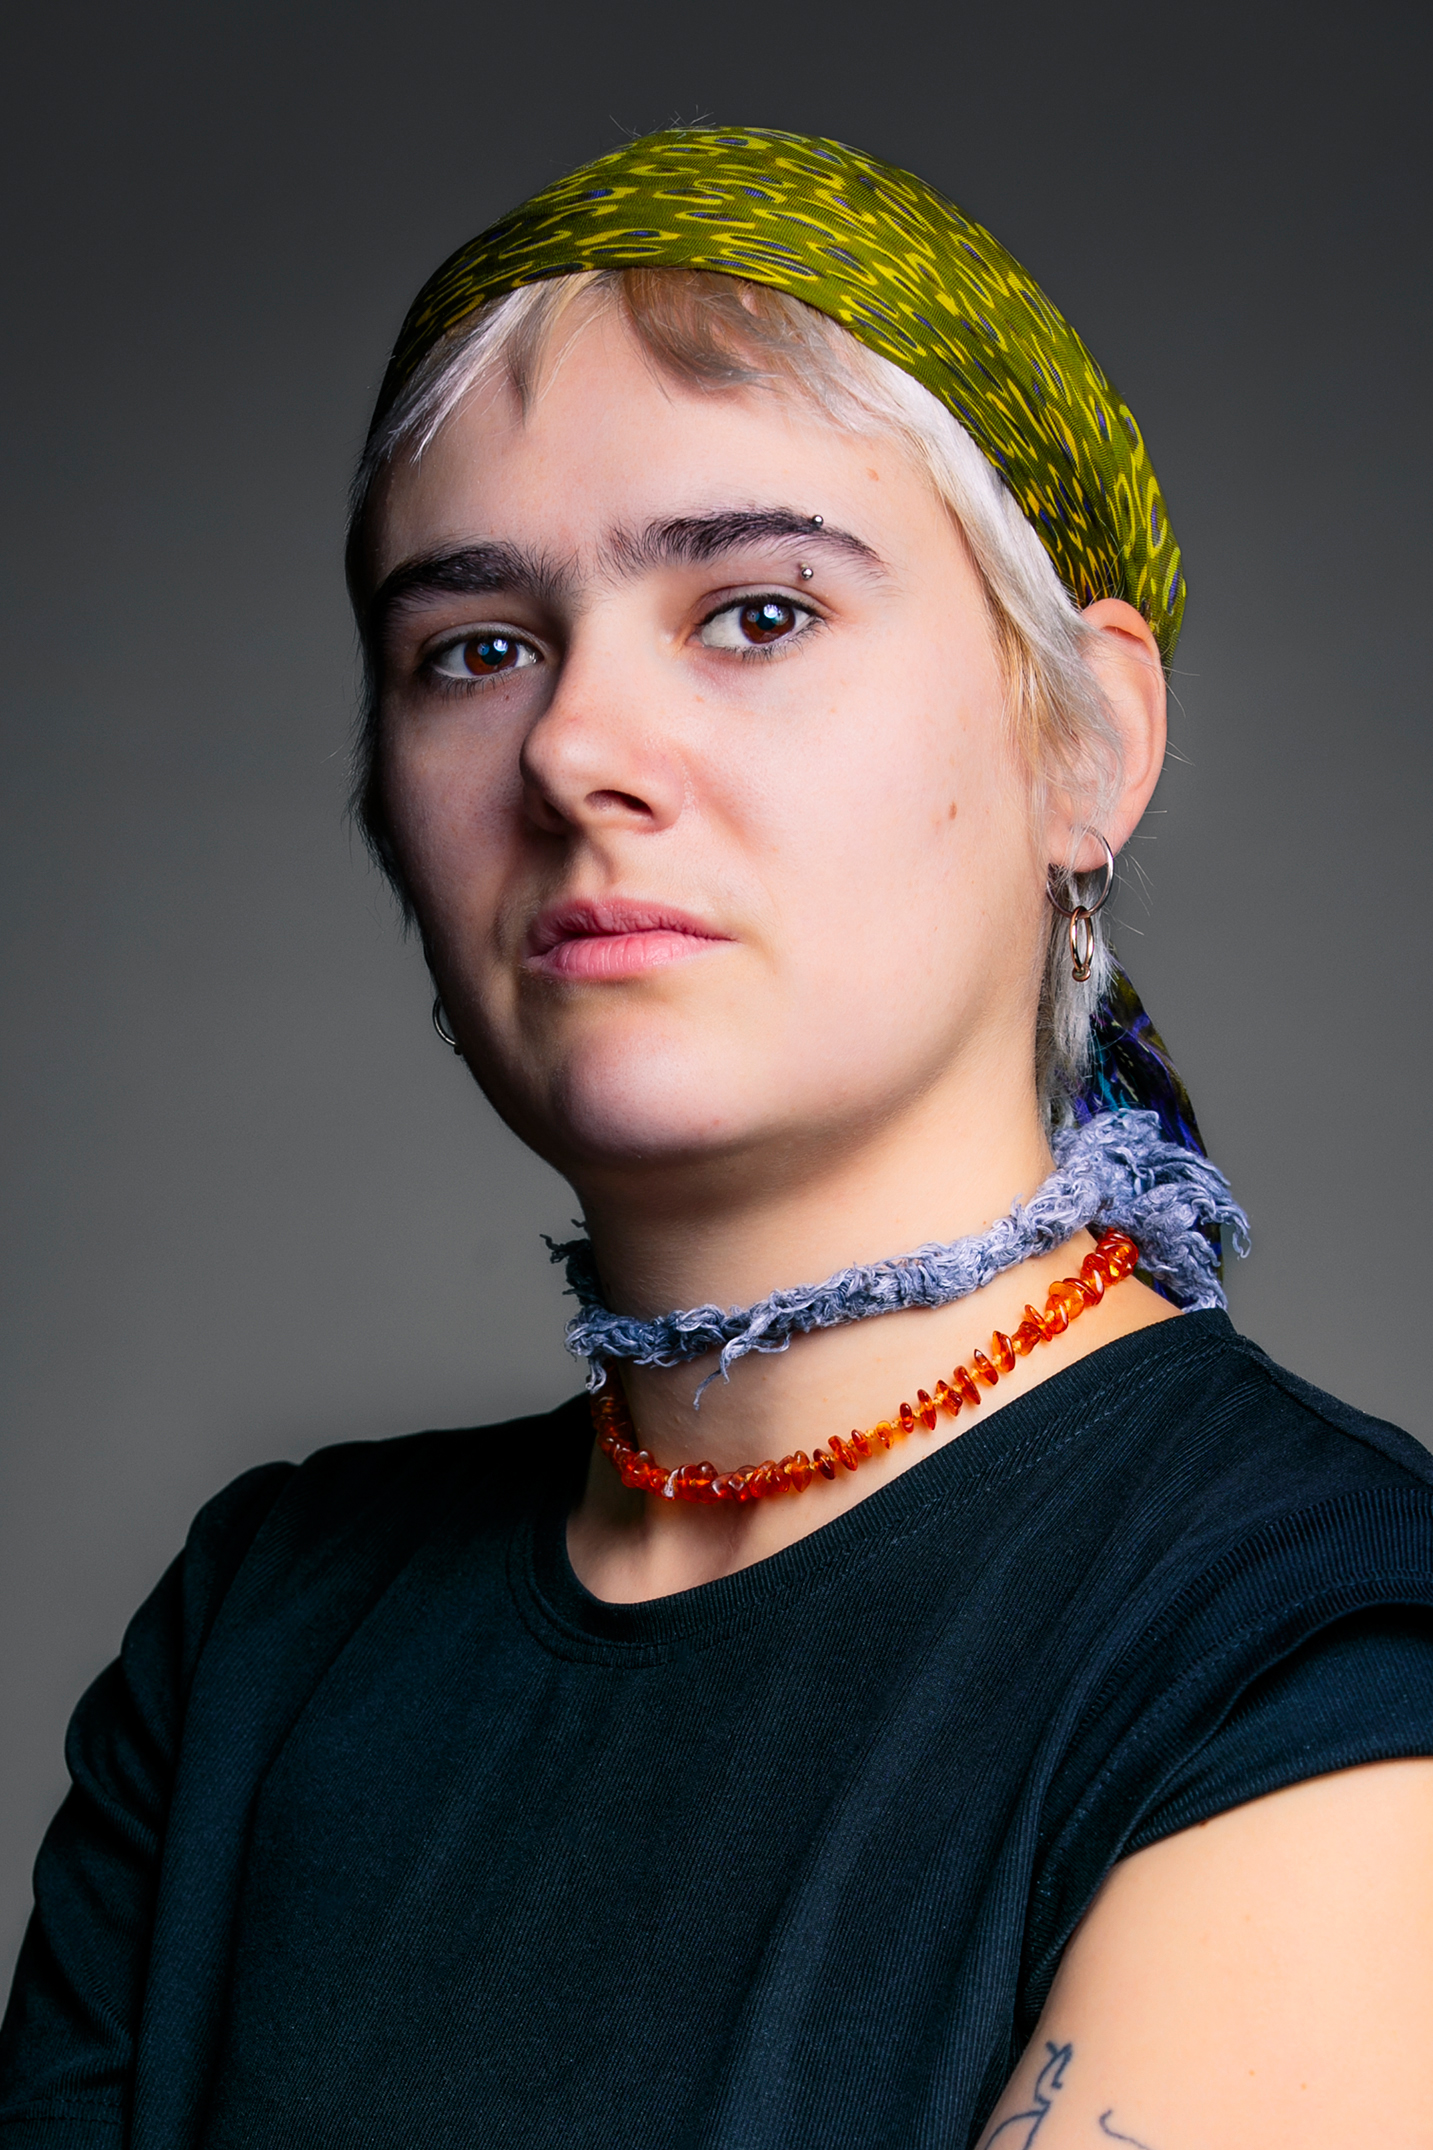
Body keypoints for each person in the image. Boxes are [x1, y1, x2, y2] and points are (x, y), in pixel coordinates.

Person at [2, 124, 1432, 2150]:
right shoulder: (263, 1633)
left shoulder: (1322, 1645)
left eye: (756, 612)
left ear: (1086, 743)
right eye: (474, 649)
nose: (575, 748)